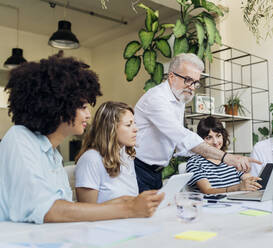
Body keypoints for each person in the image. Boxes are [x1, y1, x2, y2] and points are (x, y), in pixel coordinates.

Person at [0, 53, 164, 224]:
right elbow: (48, 210)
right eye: (83, 107)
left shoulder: (53, 154)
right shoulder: (19, 138)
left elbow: (66, 206)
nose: (88, 114)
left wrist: (129, 202)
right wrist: (128, 208)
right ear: (58, 106)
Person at [134, 53, 261, 192]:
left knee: (155, 212)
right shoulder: (156, 99)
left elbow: (178, 143)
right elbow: (182, 137)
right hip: (138, 168)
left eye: (195, 82)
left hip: (156, 171)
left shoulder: (179, 96)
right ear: (172, 77)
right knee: (141, 212)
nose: (192, 87)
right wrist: (226, 157)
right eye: (188, 80)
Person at [75, 101, 141, 203]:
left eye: (134, 123)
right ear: (111, 129)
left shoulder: (126, 155)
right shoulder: (91, 159)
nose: (136, 129)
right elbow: (87, 210)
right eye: (128, 125)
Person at [186, 117, 262, 194]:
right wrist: (238, 187)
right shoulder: (195, 162)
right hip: (212, 204)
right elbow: (207, 191)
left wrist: (251, 181)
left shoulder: (230, 160)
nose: (215, 142)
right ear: (200, 140)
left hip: (236, 203)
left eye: (218, 136)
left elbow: (248, 180)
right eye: (209, 138)